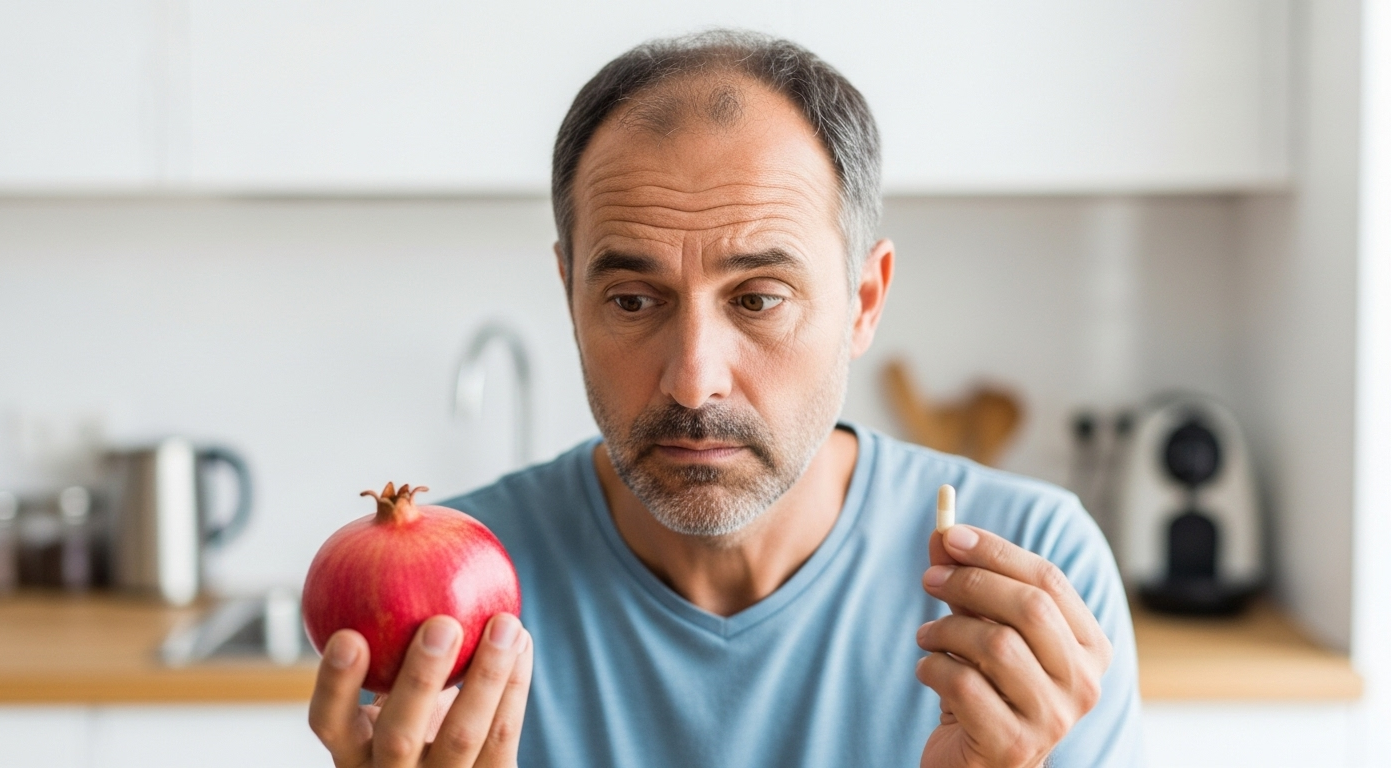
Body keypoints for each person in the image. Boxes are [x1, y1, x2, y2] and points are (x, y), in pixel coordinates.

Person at [307, 30, 1143, 768]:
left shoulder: (1030, 578)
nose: (692, 378)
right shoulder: (453, 605)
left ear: (864, 301)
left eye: (758, 298)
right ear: (570, 297)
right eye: (634, 300)